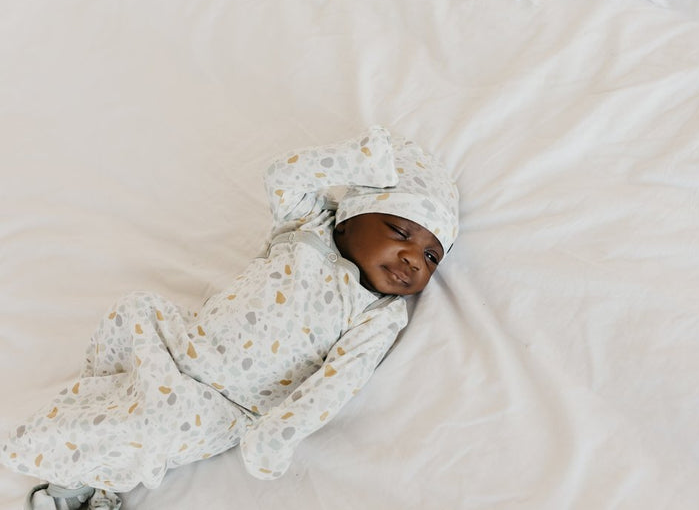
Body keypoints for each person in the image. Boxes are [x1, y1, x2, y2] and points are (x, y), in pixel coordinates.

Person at [0, 125, 459, 510]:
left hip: (227, 401)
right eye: (400, 231)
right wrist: (357, 163)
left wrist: (280, 432)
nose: (414, 259)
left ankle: (77, 481)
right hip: (181, 342)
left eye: (433, 256)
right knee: (132, 310)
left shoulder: (376, 312)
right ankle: (105, 432)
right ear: (348, 219)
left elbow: (338, 381)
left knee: (157, 425)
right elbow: (283, 173)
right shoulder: (306, 226)